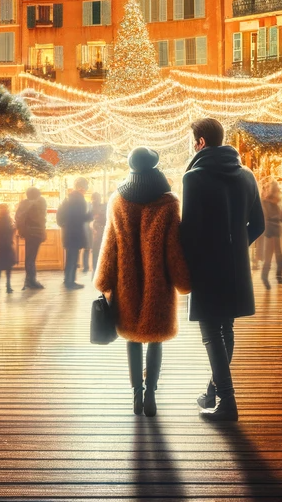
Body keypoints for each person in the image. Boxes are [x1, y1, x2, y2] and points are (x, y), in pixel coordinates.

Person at [95, 147, 191, 417]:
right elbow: (173, 248)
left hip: (126, 282)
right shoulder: (169, 203)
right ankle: (151, 395)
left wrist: (104, 279)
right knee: (156, 338)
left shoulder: (117, 201)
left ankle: (136, 395)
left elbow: (109, 244)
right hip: (157, 283)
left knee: (132, 338)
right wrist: (183, 281)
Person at [180, 117, 264, 423]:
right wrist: (236, 248)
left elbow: (189, 230)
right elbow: (259, 224)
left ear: (200, 142)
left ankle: (228, 403)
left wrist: (183, 266)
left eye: (193, 141)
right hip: (235, 267)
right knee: (225, 329)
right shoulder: (247, 176)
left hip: (205, 266)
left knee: (210, 334)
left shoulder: (195, 177)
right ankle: (213, 392)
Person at [56, 177, 92, 289]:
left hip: (67, 233)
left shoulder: (67, 199)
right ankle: (70, 282)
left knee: (70, 257)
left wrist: (64, 225)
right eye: (85, 188)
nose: (85, 190)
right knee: (73, 258)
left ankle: (67, 279)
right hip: (75, 233)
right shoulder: (79, 200)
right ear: (82, 188)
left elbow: (59, 217)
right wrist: (91, 214)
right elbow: (80, 218)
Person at [15, 186, 47, 290]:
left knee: (29, 257)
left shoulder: (24, 203)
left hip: (28, 233)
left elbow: (17, 217)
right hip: (36, 233)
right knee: (31, 258)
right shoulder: (38, 204)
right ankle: (31, 281)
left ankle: (29, 280)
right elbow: (41, 220)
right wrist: (43, 232)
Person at [260, 180, 282, 289]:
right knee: (269, 255)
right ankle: (265, 276)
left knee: (278, 255)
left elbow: (281, 216)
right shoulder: (266, 203)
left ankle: (278, 276)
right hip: (270, 231)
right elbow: (267, 217)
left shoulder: (277, 204)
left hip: (275, 231)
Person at [0, 203, 16, 298]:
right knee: (8, 267)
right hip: (7, 245)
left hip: (1, 246)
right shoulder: (8, 219)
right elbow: (11, 230)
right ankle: (8, 287)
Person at [90, 191, 107, 275]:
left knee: (96, 251)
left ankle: (95, 269)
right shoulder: (102, 207)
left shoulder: (91, 206)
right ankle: (99, 269)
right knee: (100, 251)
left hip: (97, 232)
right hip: (101, 231)